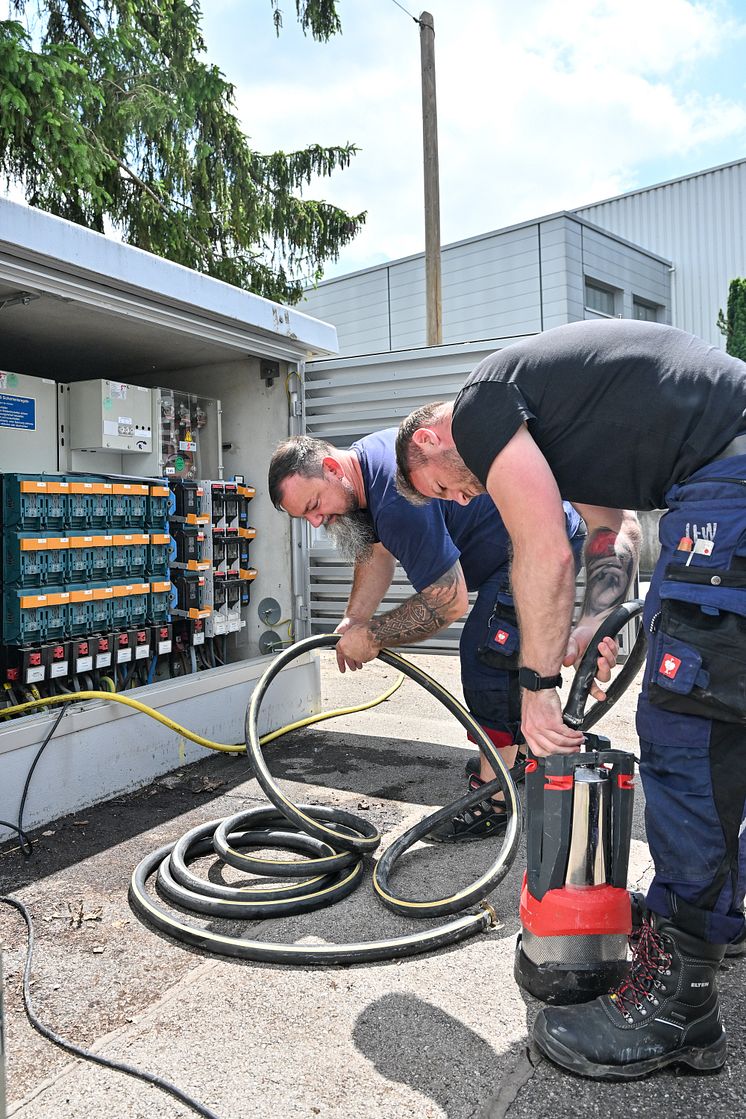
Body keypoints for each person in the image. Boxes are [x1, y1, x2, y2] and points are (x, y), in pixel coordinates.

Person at [395, 317, 746, 1081]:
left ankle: (683, 1002)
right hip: (723, 471)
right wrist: (599, 611)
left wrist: (536, 688)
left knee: (689, 720)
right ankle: (721, 908)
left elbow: (543, 552)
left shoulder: (480, 406)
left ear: (429, 442)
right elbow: (608, 530)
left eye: (447, 487)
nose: (464, 494)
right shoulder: (560, 423)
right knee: (731, 703)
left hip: (728, 480)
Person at [267, 429, 614, 842]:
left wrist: (374, 635)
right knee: (500, 650)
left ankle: (495, 799)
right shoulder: (362, 476)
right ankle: (518, 756)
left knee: (488, 653)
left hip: (537, 538)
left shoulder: (395, 499)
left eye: (313, 505)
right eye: (303, 517)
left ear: (329, 468)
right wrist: (353, 619)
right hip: (505, 544)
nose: (316, 520)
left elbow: (448, 604)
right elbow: (375, 552)